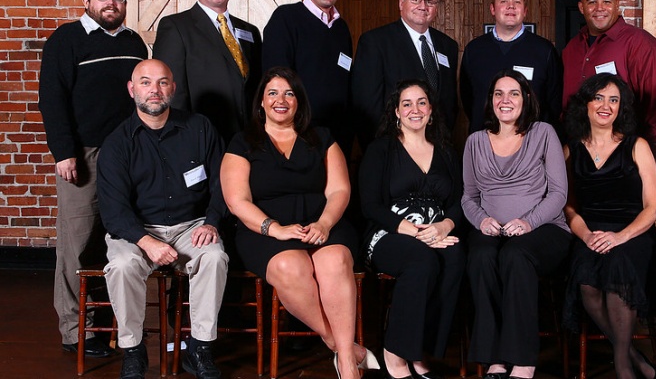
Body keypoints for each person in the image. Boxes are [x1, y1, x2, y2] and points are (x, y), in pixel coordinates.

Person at [220, 67, 377, 379]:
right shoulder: (243, 142)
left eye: (289, 93)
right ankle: (343, 347)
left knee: (334, 260)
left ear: (299, 101)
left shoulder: (322, 138)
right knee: (291, 267)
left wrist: (325, 224)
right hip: (263, 230)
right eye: (273, 93)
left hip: (322, 223)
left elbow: (339, 190)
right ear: (261, 103)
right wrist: (274, 228)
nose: (282, 99)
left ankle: (346, 362)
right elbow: (237, 201)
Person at [38, 0, 148, 359]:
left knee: (118, 240)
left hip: (126, 155)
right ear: (87, 0)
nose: (111, 4)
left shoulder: (135, 42)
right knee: (77, 244)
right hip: (83, 154)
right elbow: (52, 99)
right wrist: (64, 152)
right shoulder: (66, 39)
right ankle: (75, 329)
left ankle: (118, 325)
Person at [97, 59, 228, 379]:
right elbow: (114, 211)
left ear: (173, 88)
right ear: (132, 90)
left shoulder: (200, 127)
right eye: (145, 82)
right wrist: (147, 242)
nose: (154, 90)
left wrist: (212, 222)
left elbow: (223, 184)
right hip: (137, 230)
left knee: (214, 257)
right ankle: (133, 349)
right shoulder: (116, 143)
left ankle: (199, 347)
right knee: (123, 265)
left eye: (162, 82)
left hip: (191, 225)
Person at [462, 70, 572, 379]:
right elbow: (468, 196)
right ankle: (495, 358)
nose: (505, 100)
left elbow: (559, 193)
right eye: (498, 94)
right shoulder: (474, 142)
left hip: (545, 229)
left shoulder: (543, 133)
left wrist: (528, 222)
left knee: (515, 255)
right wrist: (481, 220)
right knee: (481, 257)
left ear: (526, 99)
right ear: (490, 101)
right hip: (492, 229)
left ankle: (523, 360)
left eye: (513, 93)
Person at [358, 79, 465, 379]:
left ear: (431, 111)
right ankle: (395, 352)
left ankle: (422, 350)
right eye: (407, 103)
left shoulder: (446, 151)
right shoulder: (381, 149)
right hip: (388, 234)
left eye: (421, 103)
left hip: (437, 232)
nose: (414, 109)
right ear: (396, 111)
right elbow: (370, 205)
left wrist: (444, 226)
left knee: (455, 258)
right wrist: (415, 232)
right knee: (422, 260)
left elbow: (460, 200)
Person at [561, 74, 656, 379]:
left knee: (617, 268)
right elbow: (568, 206)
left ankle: (622, 368)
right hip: (589, 232)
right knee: (587, 281)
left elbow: (653, 207)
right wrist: (587, 235)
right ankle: (635, 358)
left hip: (632, 231)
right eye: (599, 98)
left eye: (614, 100)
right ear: (586, 104)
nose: (606, 106)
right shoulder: (571, 149)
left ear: (622, 108)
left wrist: (620, 237)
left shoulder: (637, 145)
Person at [153, 0, 262, 143]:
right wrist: (183, 139)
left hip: (249, 138)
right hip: (203, 138)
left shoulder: (250, 31)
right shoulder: (176, 27)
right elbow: (172, 92)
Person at [562, 0, 656, 147]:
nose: (600, 8)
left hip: (623, 153)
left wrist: (649, 152)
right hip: (577, 149)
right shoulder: (572, 47)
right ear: (581, 8)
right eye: (592, 2)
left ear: (617, 5)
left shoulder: (641, 43)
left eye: (607, 1)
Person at [351, 0, 459, 149]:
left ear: (436, 8)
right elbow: (366, 104)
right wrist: (379, 148)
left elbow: (449, 100)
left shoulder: (448, 46)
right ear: (402, 3)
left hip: (439, 147)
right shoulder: (376, 42)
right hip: (393, 148)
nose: (423, 6)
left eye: (430, 2)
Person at [262, 0, 354, 156]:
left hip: (338, 133)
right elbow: (276, 79)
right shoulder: (285, 18)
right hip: (301, 131)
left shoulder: (341, 28)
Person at [460, 0, 562, 133]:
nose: (511, 6)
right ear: (493, 9)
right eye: (504, 1)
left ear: (525, 10)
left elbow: (553, 102)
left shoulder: (544, 50)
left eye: (517, 2)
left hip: (531, 144)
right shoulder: (474, 50)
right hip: (484, 141)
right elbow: (468, 99)